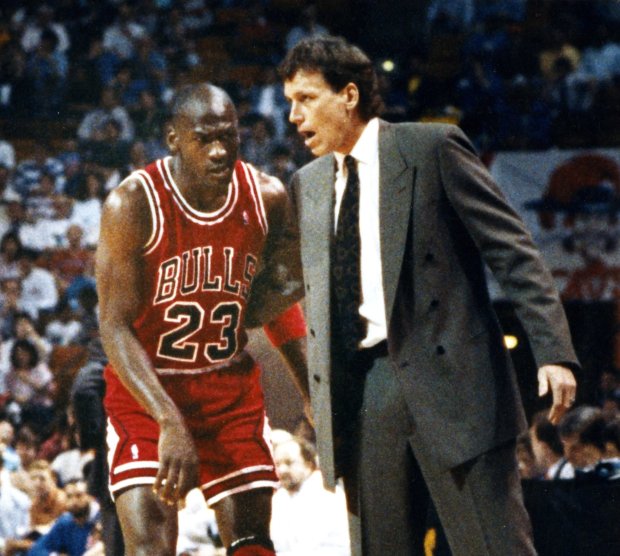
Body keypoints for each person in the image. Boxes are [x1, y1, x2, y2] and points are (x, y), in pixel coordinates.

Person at [279, 35, 578, 556]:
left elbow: (512, 250)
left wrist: (552, 350)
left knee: (494, 547)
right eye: (289, 102)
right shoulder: (308, 184)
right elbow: (287, 289)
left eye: (305, 99)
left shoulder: (429, 148)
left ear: (348, 95)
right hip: (365, 390)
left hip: (455, 381)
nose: (293, 116)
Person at [96, 82, 307, 556]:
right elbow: (113, 325)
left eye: (228, 137)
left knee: (254, 546)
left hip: (228, 391)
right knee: (151, 549)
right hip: (148, 393)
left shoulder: (267, 197)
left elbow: (277, 302)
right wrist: (169, 420)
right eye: (204, 138)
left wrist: (310, 390)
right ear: (173, 138)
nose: (219, 151)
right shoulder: (132, 205)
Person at [271, 436, 350, 556]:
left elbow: (307, 550)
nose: (282, 470)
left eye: (289, 462)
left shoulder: (328, 495)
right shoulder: (279, 498)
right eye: (277, 464)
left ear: (309, 464)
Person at [27, 478, 100, 556]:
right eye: (69, 497)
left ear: (91, 496)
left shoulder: (102, 520)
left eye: (79, 496)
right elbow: (37, 550)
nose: (74, 501)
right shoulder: (65, 522)